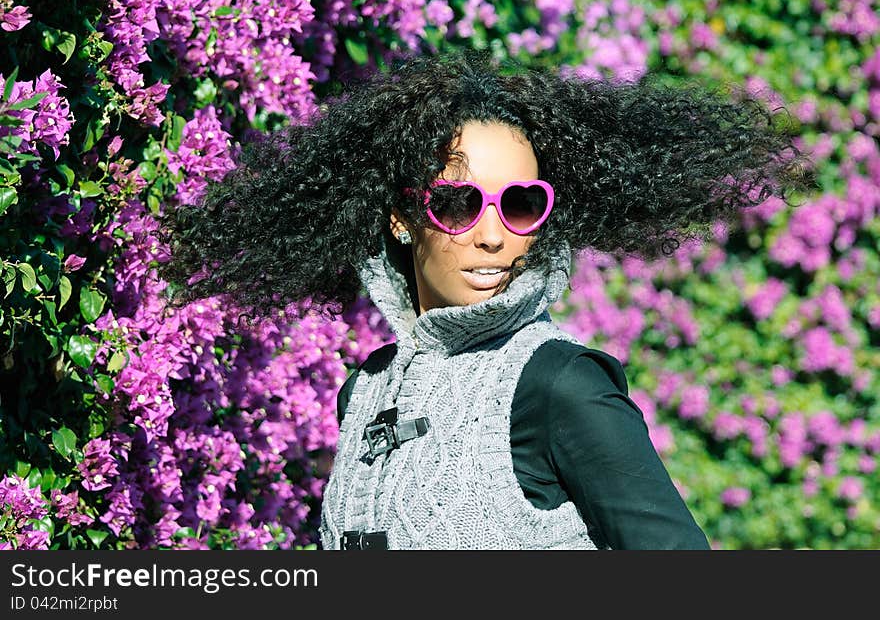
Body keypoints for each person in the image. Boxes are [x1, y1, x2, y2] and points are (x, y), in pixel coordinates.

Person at [158, 47, 816, 550]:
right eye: (457, 204)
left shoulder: (559, 385)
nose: (495, 236)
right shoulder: (364, 391)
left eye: (522, 205)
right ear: (399, 215)